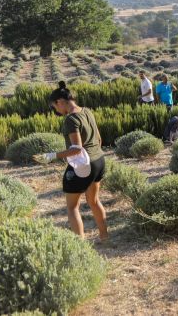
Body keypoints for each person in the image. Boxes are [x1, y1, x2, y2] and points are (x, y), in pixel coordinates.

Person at [33, 81, 108, 241]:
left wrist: (52, 156)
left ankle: (80, 246)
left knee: (72, 206)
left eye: (55, 107)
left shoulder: (71, 119)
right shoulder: (87, 111)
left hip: (84, 165)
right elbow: (99, 139)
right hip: (99, 161)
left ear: (60, 102)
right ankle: (105, 238)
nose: (56, 111)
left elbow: (77, 149)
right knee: (94, 201)